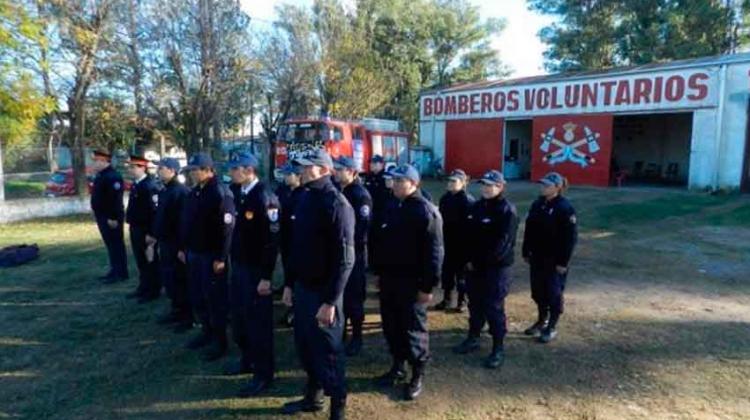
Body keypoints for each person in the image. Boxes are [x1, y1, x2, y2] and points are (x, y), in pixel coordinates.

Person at [281, 149, 354, 420]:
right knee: (305, 345)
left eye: (306, 166)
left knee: (329, 352)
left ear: (323, 170)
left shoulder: (336, 204)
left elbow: (346, 259)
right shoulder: (304, 198)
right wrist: (289, 284)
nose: (300, 170)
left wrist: (330, 301)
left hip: (324, 293)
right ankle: (313, 396)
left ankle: (338, 408)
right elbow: (295, 249)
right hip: (303, 288)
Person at [373, 164, 443, 401]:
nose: (395, 184)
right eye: (394, 180)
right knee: (392, 326)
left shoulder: (425, 212)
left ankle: (417, 374)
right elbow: (382, 243)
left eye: (401, 181)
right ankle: (397, 366)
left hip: (412, 283)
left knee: (413, 330)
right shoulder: (392, 206)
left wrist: (427, 287)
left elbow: (434, 253)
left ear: (414, 183)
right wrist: (380, 274)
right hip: (390, 280)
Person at [226, 152, 280, 397]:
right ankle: (247, 359)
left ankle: (263, 373)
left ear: (248, 170)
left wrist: (266, 277)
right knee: (240, 318)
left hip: (257, 270)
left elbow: (271, 241)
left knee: (258, 323)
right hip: (240, 267)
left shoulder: (264, 198)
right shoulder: (239, 193)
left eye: (235, 168)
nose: (231, 172)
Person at [452, 170, 518, 369]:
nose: (486, 188)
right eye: (484, 185)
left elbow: (502, 245)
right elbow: (466, 237)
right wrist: (467, 261)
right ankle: (473, 337)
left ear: (500, 187)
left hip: (495, 270)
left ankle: (498, 347)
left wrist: (478, 262)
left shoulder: (507, 211)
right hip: (474, 268)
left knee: (494, 307)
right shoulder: (477, 207)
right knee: (475, 305)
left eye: (491, 185)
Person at [182, 152, 235, 361]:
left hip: (212, 256)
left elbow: (227, 228)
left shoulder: (219, 192)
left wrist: (221, 258)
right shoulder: (196, 192)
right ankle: (206, 332)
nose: (192, 174)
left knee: (216, 300)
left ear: (208, 170)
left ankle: (220, 342)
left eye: (195, 170)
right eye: (191, 171)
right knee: (198, 296)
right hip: (195, 253)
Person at [522, 172, 578, 343]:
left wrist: (563, 262)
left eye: (547, 185)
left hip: (554, 260)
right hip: (537, 257)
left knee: (553, 293)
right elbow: (529, 230)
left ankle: (551, 326)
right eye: (542, 184)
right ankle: (541, 320)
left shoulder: (565, 208)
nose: (542, 187)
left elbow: (570, 238)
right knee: (538, 291)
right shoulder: (537, 204)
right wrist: (526, 250)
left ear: (557, 188)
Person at [333, 156, 373, 357]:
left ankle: (357, 336)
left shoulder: (360, 195)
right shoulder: (341, 191)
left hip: (354, 254)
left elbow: (362, 230)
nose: (337, 172)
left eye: (341, 169)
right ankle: (343, 332)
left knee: (354, 297)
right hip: (341, 253)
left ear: (352, 171)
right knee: (341, 295)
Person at [152, 158, 193, 332]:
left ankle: (187, 316)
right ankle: (176, 309)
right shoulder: (166, 190)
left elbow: (183, 223)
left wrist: (182, 248)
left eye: (161, 168)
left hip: (176, 244)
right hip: (166, 242)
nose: (158, 171)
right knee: (170, 278)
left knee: (180, 279)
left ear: (172, 170)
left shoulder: (180, 192)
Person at [434, 169, 474, 312]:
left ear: (463, 183)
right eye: (449, 180)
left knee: (461, 275)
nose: (450, 183)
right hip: (447, 242)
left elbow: (471, 227)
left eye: (454, 181)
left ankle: (462, 302)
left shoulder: (468, 201)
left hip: (462, 245)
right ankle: (447, 299)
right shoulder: (445, 199)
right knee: (447, 273)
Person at [124, 155, 162, 303]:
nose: (130, 170)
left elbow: (154, 212)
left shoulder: (149, 186)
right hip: (136, 227)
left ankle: (153, 289)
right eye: (130, 167)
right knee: (140, 259)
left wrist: (152, 234)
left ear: (142, 168)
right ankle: (143, 286)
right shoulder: (137, 184)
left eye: (133, 167)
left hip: (146, 230)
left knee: (150, 260)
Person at [90, 150, 128, 283]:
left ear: (103, 161)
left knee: (116, 244)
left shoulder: (112, 176)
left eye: (96, 160)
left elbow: (115, 200)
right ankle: (114, 270)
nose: (94, 163)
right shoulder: (102, 175)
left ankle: (121, 272)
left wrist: (113, 218)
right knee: (110, 245)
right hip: (103, 216)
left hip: (111, 217)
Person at [276, 162, 304, 327]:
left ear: (298, 175)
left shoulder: (304, 195)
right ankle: (290, 308)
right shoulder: (283, 191)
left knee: (298, 279)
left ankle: (296, 311)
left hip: (299, 244)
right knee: (289, 276)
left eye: (289, 174)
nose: (286, 177)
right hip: (286, 242)